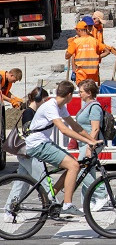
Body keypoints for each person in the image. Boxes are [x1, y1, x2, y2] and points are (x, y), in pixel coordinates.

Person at [24, 80, 101, 217]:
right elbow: (64, 130)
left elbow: (75, 126)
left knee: (74, 165)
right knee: (73, 166)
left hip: (43, 142)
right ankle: (67, 205)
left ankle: (50, 195)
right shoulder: (51, 106)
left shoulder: (60, 106)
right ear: (69, 95)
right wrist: (86, 141)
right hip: (38, 144)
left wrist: (92, 140)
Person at [6, 86, 52, 216]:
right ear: (39, 99)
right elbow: (29, 133)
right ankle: (54, 205)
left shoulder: (33, 112)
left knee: (21, 184)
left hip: (27, 154)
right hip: (29, 153)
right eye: (45, 100)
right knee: (44, 179)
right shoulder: (28, 113)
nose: (46, 103)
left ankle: (10, 210)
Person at [75, 80, 107, 209]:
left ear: (89, 93)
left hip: (91, 144)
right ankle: (88, 203)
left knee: (80, 170)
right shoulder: (87, 105)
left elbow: (95, 129)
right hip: (84, 144)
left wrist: (90, 147)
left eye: (81, 92)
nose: (79, 94)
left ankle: (102, 194)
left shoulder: (94, 107)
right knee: (89, 172)